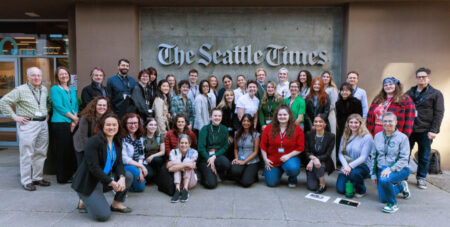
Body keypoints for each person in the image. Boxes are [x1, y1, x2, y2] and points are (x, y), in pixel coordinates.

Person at [72, 114, 133, 221]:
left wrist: (122, 178)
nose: (111, 127)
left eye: (114, 125)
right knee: (103, 215)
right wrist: (112, 182)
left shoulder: (117, 141)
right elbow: (94, 168)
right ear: (102, 126)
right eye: (108, 125)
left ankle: (116, 204)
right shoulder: (93, 142)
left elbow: (119, 163)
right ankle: (84, 198)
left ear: (118, 127)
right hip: (89, 181)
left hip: (103, 179)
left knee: (128, 176)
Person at [0, 67, 50, 191]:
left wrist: (46, 113)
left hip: (43, 124)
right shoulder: (20, 90)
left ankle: (37, 178)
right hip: (28, 124)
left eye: (38, 75)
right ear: (27, 77)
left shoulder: (44, 89)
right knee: (27, 154)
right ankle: (26, 181)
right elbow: (3, 102)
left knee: (41, 152)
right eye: (33, 75)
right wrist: (15, 117)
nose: (37, 78)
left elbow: (45, 103)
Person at [406, 67, 444, 189]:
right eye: (419, 77)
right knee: (404, 154)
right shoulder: (409, 92)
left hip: (426, 130)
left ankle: (421, 178)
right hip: (410, 129)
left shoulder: (436, 94)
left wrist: (434, 130)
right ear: (416, 78)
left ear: (428, 78)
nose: (421, 78)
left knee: (424, 155)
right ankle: (402, 176)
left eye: (424, 76)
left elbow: (439, 113)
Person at [371, 112, 411, 213]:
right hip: (381, 169)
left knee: (385, 180)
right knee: (383, 199)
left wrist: (390, 169)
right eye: (385, 121)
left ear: (396, 122)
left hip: (400, 169)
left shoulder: (403, 138)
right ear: (381, 122)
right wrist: (373, 174)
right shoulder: (377, 136)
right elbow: (374, 156)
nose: (387, 123)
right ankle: (401, 186)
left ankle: (393, 204)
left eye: (390, 121)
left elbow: (404, 158)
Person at [260, 105, 304, 187]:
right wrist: (265, 159)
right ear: (276, 116)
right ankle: (278, 171)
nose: (282, 117)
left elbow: (300, 147)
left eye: (285, 115)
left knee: (293, 169)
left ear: (289, 116)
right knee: (271, 183)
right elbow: (263, 145)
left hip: (289, 158)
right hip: (273, 159)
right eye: (280, 115)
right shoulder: (268, 128)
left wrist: (288, 156)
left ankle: (292, 178)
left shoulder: (297, 129)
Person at [50, 66, 78, 184]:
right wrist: (74, 118)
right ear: (57, 76)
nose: (64, 76)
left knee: (70, 150)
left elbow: (75, 105)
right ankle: (62, 177)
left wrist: (74, 121)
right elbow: (58, 106)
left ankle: (69, 174)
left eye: (66, 73)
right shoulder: (55, 88)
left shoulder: (71, 89)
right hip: (60, 123)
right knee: (62, 151)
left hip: (71, 122)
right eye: (61, 74)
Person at [336, 114, 372, 197]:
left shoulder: (367, 137)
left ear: (360, 124)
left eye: (356, 122)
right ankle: (352, 180)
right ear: (348, 123)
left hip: (362, 165)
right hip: (347, 164)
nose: (353, 125)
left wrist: (350, 166)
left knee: (354, 174)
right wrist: (345, 166)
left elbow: (364, 157)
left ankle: (361, 190)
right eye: (351, 122)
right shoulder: (345, 135)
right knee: (340, 189)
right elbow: (340, 153)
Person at [73, 97, 113, 166]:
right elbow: (83, 137)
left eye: (104, 105)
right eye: (99, 105)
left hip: (96, 144)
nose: (102, 107)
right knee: (83, 167)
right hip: (81, 144)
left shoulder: (108, 118)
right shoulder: (86, 117)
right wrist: (92, 151)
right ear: (95, 106)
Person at [197, 108, 231, 189]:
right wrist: (209, 159)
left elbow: (225, 146)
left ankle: (215, 172)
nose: (217, 118)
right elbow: (201, 148)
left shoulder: (224, 129)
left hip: (217, 156)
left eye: (219, 116)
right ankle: (204, 174)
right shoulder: (204, 129)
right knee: (211, 184)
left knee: (226, 164)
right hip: (205, 158)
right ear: (211, 117)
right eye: (215, 115)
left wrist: (214, 156)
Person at [304, 114, 335, 193]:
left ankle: (322, 184)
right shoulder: (309, 134)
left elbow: (327, 154)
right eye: (316, 121)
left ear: (325, 123)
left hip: (324, 161)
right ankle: (317, 177)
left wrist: (315, 160)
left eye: (320, 122)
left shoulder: (331, 136)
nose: (318, 124)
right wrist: (312, 159)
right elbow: (306, 151)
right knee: (312, 187)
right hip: (311, 161)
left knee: (318, 165)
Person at [230, 114, 260, 187]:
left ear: (251, 122)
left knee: (246, 183)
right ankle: (246, 175)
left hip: (252, 161)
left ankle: (251, 176)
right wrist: (237, 159)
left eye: (248, 121)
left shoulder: (256, 135)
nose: (246, 123)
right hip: (240, 159)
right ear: (241, 122)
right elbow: (236, 148)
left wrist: (244, 162)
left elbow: (256, 152)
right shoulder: (237, 133)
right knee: (234, 171)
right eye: (244, 121)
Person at [120, 113, 147, 192]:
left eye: (135, 123)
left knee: (140, 188)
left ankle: (126, 184)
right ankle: (119, 184)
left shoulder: (139, 137)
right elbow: (124, 159)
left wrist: (140, 170)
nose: (133, 125)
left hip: (135, 165)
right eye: (130, 123)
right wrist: (141, 167)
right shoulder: (122, 138)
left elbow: (141, 155)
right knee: (140, 187)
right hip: (124, 165)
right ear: (125, 124)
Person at [167, 134, 199, 203]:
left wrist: (176, 165)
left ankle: (185, 190)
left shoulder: (194, 152)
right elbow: (169, 169)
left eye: (186, 143)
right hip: (177, 181)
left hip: (191, 181)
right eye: (181, 143)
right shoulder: (173, 152)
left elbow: (191, 166)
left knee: (186, 160)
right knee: (182, 161)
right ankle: (177, 190)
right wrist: (186, 165)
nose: (184, 145)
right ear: (178, 143)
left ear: (189, 144)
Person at [335, 82, 362, 152]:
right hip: (342, 128)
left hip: (353, 127)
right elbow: (338, 116)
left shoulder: (356, 102)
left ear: (351, 92)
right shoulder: (338, 103)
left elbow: (359, 116)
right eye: (342, 90)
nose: (344, 92)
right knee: (341, 146)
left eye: (346, 90)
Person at [217, 89, 240, 160]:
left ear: (233, 96)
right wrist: (227, 135)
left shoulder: (236, 106)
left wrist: (235, 134)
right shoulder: (221, 108)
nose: (229, 97)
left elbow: (237, 121)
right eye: (227, 95)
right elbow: (219, 123)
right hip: (224, 133)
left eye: (231, 95)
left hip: (234, 132)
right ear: (224, 97)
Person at [322, 71, 338, 166]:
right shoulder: (319, 88)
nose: (325, 78)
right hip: (321, 116)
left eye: (327, 77)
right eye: (323, 76)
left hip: (330, 116)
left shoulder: (332, 89)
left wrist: (325, 113)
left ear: (330, 79)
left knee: (331, 138)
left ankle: (332, 163)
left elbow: (333, 104)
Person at [143, 118, 165, 183]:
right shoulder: (142, 137)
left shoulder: (159, 136)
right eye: (151, 125)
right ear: (146, 126)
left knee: (156, 160)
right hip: (145, 160)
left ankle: (158, 175)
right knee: (149, 176)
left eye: (155, 125)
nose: (153, 127)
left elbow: (162, 152)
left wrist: (152, 156)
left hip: (156, 159)